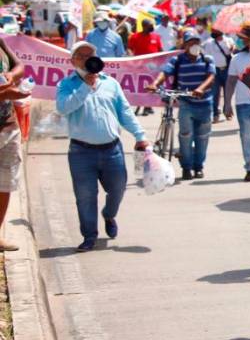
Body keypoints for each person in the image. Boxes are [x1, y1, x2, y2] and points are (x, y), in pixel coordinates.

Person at [56, 42, 149, 253]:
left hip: (112, 150)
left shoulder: (110, 83)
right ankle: (89, 236)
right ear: (73, 61)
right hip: (81, 152)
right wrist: (84, 87)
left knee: (118, 188)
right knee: (85, 196)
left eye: (91, 55)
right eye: (82, 56)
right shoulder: (66, 84)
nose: (87, 59)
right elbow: (63, 108)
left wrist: (140, 135)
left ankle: (109, 214)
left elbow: (125, 112)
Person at [146, 31, 215, 181]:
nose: (194, 45)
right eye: (191, 42)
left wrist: (200, 89)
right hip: (186, 104)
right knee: (185, 136)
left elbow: (211, 77)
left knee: (202, 137)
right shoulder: (177, 60)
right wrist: (155, 84)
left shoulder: (207, 59)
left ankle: (199, 167)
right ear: (185, 45)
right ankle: (186, 167)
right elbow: (165, 73)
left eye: (197, 42)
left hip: (205, 104)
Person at [223, 26, 250, 181]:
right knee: (247, 137)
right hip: (243, 103)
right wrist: (227, 103)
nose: (241, 41)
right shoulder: (237, 58)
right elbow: (230, 81)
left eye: (243, 38)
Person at [0, 38, 28, 251]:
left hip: (8, 127)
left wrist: (12, 75)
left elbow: (19, 65)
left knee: (4, 185)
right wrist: (4, 94)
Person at [128, 19, 164, 116]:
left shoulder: (156, 37)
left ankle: (147, 106)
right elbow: (129, 49)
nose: (152, 27)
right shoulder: (135, 36)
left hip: (152, 67)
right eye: (150, 25)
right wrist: (132, 58)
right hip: (139, 66)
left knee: (150, 85)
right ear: (144, 26)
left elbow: (161, 50)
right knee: (140, 86)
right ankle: (139, 105)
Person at [202, 28, 232, 123]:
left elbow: (230, 54)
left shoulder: (229, 41)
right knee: (215, 93)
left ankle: (227, 112)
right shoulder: (209, 43)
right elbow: (206, 57)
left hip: (226, 70)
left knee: (227, 93)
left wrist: (231, 48)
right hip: (214, 71)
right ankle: (215, 114)